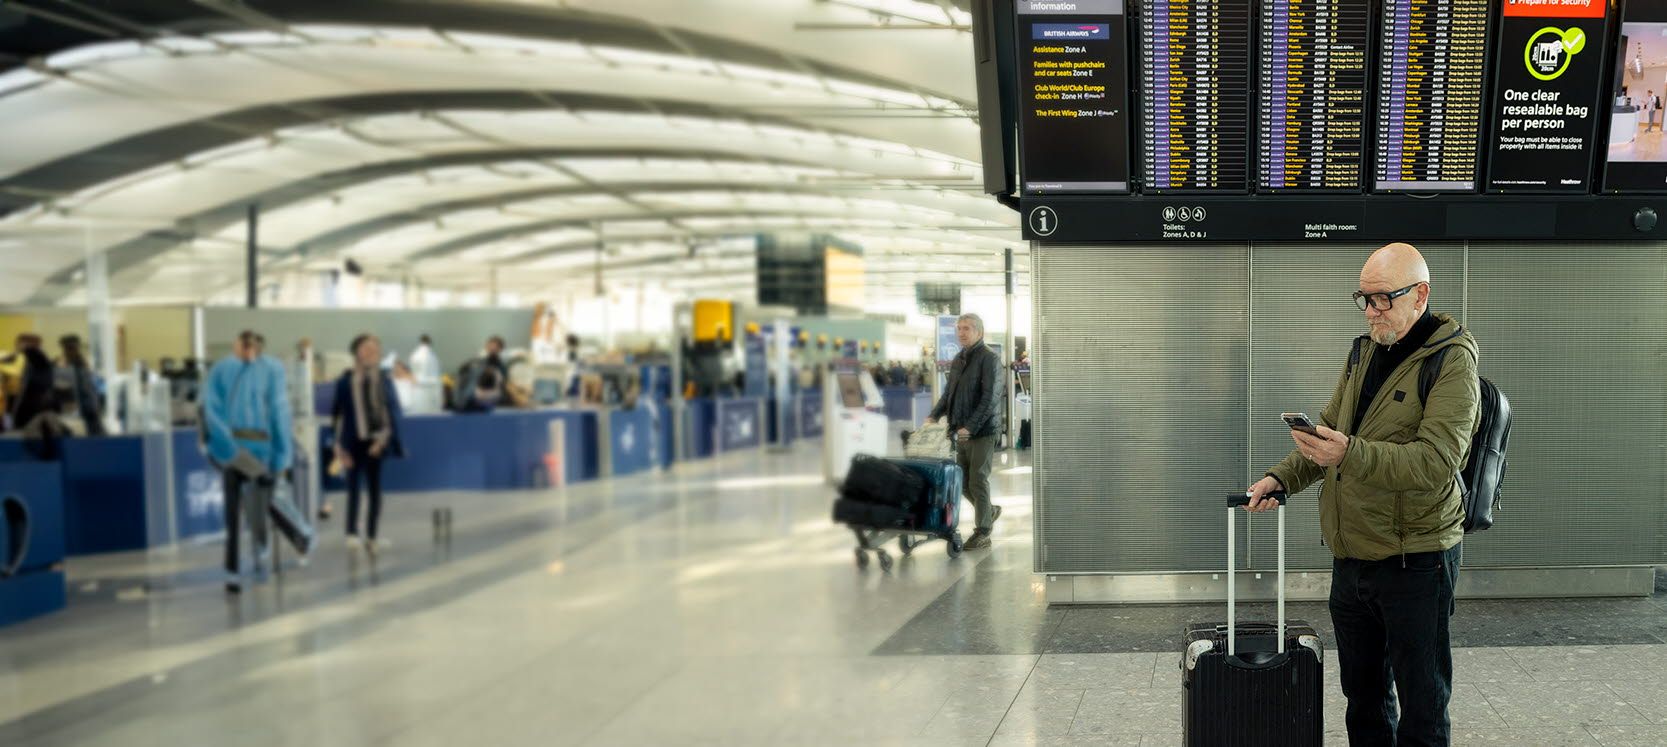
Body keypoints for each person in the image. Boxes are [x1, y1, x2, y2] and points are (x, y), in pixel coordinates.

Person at [1245, 243, 1479, 746]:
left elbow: (1435, 464)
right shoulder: (1364, 350)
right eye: (1364, 298)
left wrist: (1348, 453)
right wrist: (1282, 477)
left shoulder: (1452, 362)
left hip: (1416, 560)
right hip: (1352, 558)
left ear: (1420, 295)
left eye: (1382, 299)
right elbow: (1328, 434)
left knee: (1423, 702)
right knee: (1365, 698)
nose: (1372, 311)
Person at [202, 330, 294, 593]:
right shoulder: (222, 371)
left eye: (254, 347)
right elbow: (212, 410)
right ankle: (233, 570)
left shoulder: (270, 371)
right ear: (236, 345)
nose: (249, 351)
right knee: (233, 515)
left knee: (257, 511)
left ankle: (259, 557)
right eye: (245, 346)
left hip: (260, 450)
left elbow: (279, 413)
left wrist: (280, 456)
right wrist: (227, 448)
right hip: (236, 453)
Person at [924, 313, 1004, 550]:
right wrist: (935, 414)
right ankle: (988, 511)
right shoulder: (959, 358)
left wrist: (971, 426)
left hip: (982, 431)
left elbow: (990, 398)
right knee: (964, 482)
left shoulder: (990, 359)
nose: (961, 333)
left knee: (978, 479)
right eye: (959, 328)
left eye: (966, 328)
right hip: (960, 432)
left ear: (979, 331)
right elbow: (949, 393)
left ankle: (983, 532)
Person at [333, 334, 405, 552]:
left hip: (377, 442)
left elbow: (392, 414)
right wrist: (338, 446)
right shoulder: (345, 381)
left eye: (375, 347)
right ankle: (351, 533)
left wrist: (383, 441)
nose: (371, 351)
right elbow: (337, 416)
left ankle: (372, 536)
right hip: (352, 443)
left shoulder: (385, 380)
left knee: (375, 490)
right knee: (353, 487)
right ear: (356, 352)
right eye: (366, 347)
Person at [52, 335, 105, 436]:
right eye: (66, 349)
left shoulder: (81, 366)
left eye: (70, 348)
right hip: (76, 409)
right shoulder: (62, 364)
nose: (67, 352)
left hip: (87, 409)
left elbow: (88, 390)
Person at [408, 334, 443, 414]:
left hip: (418, 389)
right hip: (432, 388)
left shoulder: (414, 355)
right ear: (429, 342)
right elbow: (436, 373)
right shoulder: (433, 356)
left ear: (420, 342)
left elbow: (413, 372)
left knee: (419, 414)